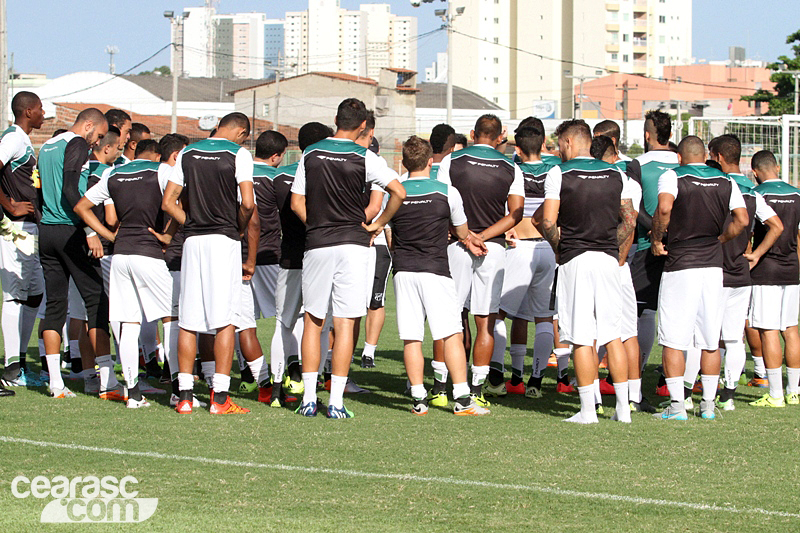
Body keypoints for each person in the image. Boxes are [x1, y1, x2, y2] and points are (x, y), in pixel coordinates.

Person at [290, 98, 406, 419]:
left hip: (318, 244)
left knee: (313, 321)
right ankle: (336, 402)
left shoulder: (310, 153)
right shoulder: (366, 157)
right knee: (345, 323)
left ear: (336, 119)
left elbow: (296, 201)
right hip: (355, 246)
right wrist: (378, 224)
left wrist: (314, 225)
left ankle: (309, 399)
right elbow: (399, 192)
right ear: (362, 127)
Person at [374, 135, 488, 415]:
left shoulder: (394, 193)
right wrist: (470, 238)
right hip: (436, 271)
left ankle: (418, 399)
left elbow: (390, 239)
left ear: (403, 162)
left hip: (403, 272)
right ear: (430, 162)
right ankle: (462, 399)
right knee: (451, 334)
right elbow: (462, 233)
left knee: (412, 337)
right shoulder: (447, 191)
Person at [537, 119, 637, 424]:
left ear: (568, 142)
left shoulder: (558, 173)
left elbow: (547, 222)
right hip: (608, 260)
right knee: (613, 335)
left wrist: (560, 247)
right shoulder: (616, 173)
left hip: (575, 260)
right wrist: (608, 243)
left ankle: (587, 411)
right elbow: (630, 221)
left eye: (559, 145)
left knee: (580, 336)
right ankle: (623, 409)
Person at [161, 112, 255, 415]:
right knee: (226, 318)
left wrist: (190, 222)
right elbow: (249, 202)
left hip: (193, 243)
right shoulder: (239, 153)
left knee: (188, 319)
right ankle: (220, 398)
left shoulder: (188, 152)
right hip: (223, 241)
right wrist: (238, 226)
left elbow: (168, 202)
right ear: (240, 132)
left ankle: (186, 397)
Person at [651, 136, 748, 420]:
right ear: (705, 154)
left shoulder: (672, 176)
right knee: (709, 338)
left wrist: (658, 238)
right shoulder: (725, 180)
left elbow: (665, 208)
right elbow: (741, 219)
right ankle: (707, 404)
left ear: (679, 157)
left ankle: (678, 406)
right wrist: (721, 237)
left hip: (681, 264)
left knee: (673, 339)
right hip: (712, 266)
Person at [74, 139, 174, 409]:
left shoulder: (113, 172)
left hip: (120, 255)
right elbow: (175, 205)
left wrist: (109, 236)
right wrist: (169, 235)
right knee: (172, 319)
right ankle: (180, 391)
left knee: (128, 324)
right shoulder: (162, 171)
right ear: (159, 155)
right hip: (149, 253)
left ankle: (133, 393)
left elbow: (81, 207)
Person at [437, 114, 524, 406]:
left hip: (458, 246)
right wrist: (483, 237)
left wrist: (467, 237)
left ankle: (440, 387)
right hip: (493, 248)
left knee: (448, 316)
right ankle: (476, 390)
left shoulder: (452, 160)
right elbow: (515, 214)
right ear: (500, 136)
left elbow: (441, 203)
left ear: (473, 133)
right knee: (485, 320)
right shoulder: (512, 166)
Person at [37, 107, 117, 399]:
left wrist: (43, 222)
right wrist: (90, 232)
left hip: (46, 231)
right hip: (70, 231)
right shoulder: (77, 144)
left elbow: (39, 192)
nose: (96, 142)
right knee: (97, 300)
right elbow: (72, 191)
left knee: (56, 306)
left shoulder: (46, 144)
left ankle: (56, 382)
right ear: (87, 126)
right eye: (96, 135)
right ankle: (107, 380)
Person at [708, 136, 782, 411]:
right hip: (741, 272)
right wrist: (756, 254)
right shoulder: (753, 192)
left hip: (713, 269)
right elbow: (776, 225)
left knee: (705, 336)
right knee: (733, 336)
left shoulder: (713, 186)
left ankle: (703, 392)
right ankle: (727, 395)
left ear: (716, 156)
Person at [490, 123, 557, 399]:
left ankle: (495, 377)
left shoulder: (512, 168)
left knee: (498, 313)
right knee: (544, 317)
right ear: (543, 145)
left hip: (520, 246)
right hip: (549, 248)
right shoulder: (556, 169)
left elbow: (514, 210)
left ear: (517, 148)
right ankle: (536, 381)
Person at [270, 122, 333, 407]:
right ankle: (313, 386)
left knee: (284, 324)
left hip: (289, 258)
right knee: (318, 323)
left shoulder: (280, 177)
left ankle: (275, 389)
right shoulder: (328, 173)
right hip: (319, 255)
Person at [626, 111, 679, 398]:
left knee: (637, 314)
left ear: (647, 136)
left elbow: (635, 210)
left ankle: (634, 380)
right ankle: (673, 384)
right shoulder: (684, 161)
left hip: (648, 249)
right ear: (670, 134)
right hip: (683, 252)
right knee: (681, 320)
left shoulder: (638, 164)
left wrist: (657, 233)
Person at [65, 126, 120, 394]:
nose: (120, 152)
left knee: (81, 315)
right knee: (101, 314)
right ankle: (109, 378)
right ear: (106, 147)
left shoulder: (79, 169)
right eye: (118, 147)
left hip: (75, 245)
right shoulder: (108, 173)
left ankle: (88, 377)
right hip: (101, 250)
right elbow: (110, 218)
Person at [238, 130, 288, 404]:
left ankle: (259, 381)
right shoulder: (275, 177)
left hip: (235, 255)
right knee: (288, 318)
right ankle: (291, 375)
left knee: (243, 323)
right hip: (268, 256)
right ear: (277, 155)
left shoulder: (237, 171)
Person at [747, 150, 800, 408]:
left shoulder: (757, 195)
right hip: (792, 269)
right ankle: (794, 391)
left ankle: (776, 395)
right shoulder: (797, 194)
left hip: (766, 270)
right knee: (790, 330)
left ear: (754, 172)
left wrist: (753, 254)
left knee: (768, 331)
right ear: (777, 167)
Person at [0, 91, 45, 393]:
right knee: (15, 294)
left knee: (35, 293)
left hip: (28, 228)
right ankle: (11, 368)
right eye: (41, 109)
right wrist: (10, 205)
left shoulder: (23, 139)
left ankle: (18, 365)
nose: (44, 114)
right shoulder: (13, 138)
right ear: (28, 111)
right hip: (15, 228)